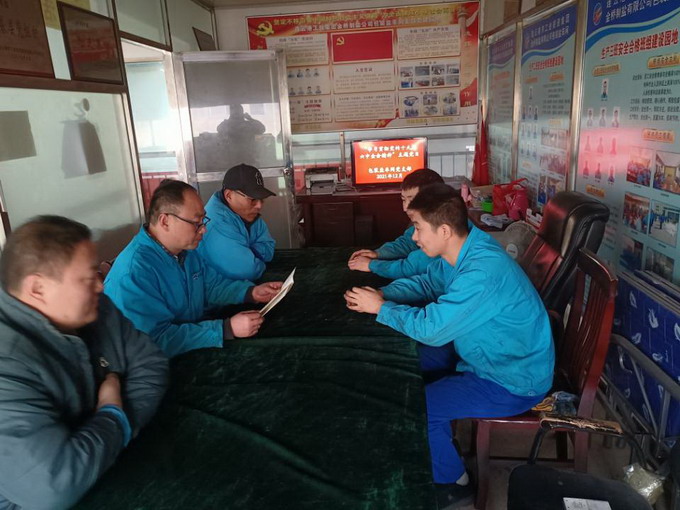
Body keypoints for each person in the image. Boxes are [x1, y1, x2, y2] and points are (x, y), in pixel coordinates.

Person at [344, 184, 554, 508]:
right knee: (402, 362)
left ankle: (454, 483)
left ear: (443, 230)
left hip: (510, 379)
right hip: (481, 353)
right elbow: (429, 283)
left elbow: (432, 330)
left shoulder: (481, 272)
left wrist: (381, 309)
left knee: (422, 407)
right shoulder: (462, 248)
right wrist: (384, 294)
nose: (414, 238)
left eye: (418, 228)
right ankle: (431, 445)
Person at [0, 216, 168, 509]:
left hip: (102, 475)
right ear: (37, 288)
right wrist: (111, 412)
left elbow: (151, 365)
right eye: (88, 278)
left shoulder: (94, 307)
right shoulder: (7, 363)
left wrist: (100, 441)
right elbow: (53, 486)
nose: (101, 286)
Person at [105, 180, 282, 358]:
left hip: (192, 345)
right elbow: (154, 340)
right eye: (196, 222)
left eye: (203, 220)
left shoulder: (185, 252)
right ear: (165, 221)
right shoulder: (135, 272)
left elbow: (211, 285)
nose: (204, 230)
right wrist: (225, 328)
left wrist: (251, 292)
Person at [348, 168, 444, 279]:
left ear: (433, 200)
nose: (405, 208)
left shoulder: (441, 227)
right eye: (403, 200)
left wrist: (371, 265)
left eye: (412, 200)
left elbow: (409, 268)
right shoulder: (426, 219)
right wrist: (378, 254)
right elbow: (407, 243)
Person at [197, 164, 275, 281]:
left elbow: (269, 247)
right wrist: (257, 260)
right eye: (253, 199)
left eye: (262, 199)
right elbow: (247, 271)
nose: (259, 206)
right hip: (217, 289)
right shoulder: (217, 223)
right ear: (229, 195)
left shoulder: (248, 214)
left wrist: (250, 254)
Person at [216, 104, 266, 168]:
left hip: (248, 160)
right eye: (234, 113)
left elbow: (262, 129)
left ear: (242, 113)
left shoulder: (248, 125)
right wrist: (250, 119)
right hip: (232, 161)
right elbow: (219, 129)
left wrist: (250, 119)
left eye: (238, 113)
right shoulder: (227, 125)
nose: (236, 115)